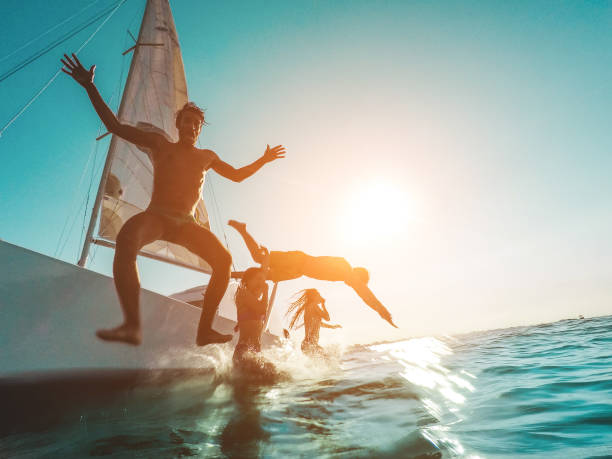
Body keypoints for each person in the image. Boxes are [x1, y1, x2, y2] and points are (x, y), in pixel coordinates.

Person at [61, 53, 285, 346]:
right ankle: (131, 324)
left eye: (197, 125)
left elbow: (238, 176)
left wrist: (264, 160)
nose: (192, 128)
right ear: (178, 124)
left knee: (224, 261)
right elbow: (115, 127)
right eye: (187, 122)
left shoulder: (207, 157)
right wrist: (90, 87)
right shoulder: (159, 144)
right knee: (127, 238)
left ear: (200, 130)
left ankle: (204, 330)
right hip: (157, 217)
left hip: (187, 224)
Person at [228, 220, 397, 327]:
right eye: (359, 282)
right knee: (259, 257)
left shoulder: (344, 270)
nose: (354, 285)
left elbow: (361, 290)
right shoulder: (347, 269)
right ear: (358, 276)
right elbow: (364, 294)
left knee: (263, 276)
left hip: (298, 271)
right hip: (298, 262)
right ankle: (243, 230)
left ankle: (230, 275)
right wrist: (382, 311)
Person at [233, 262, 278, 378]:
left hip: (254, 353)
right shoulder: (243, 293)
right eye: (258, 279)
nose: (261, 283)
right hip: (245, 353)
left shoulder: (251, 298)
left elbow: (251, 316)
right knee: (276, 376)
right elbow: (262, 309)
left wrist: (265, 258)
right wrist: (266, 291)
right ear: (247, 280)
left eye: (263, 280)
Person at [285, 289, 341, 356]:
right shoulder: (313, 305)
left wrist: (332, 327)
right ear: (314, 297)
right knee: (329, 360)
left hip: (307, 344)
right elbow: (327, 318)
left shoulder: (309, 307)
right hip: (310, 344)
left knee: (323, 363)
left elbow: (317, 323)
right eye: (318, 295)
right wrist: (323, 305)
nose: (320, 296)